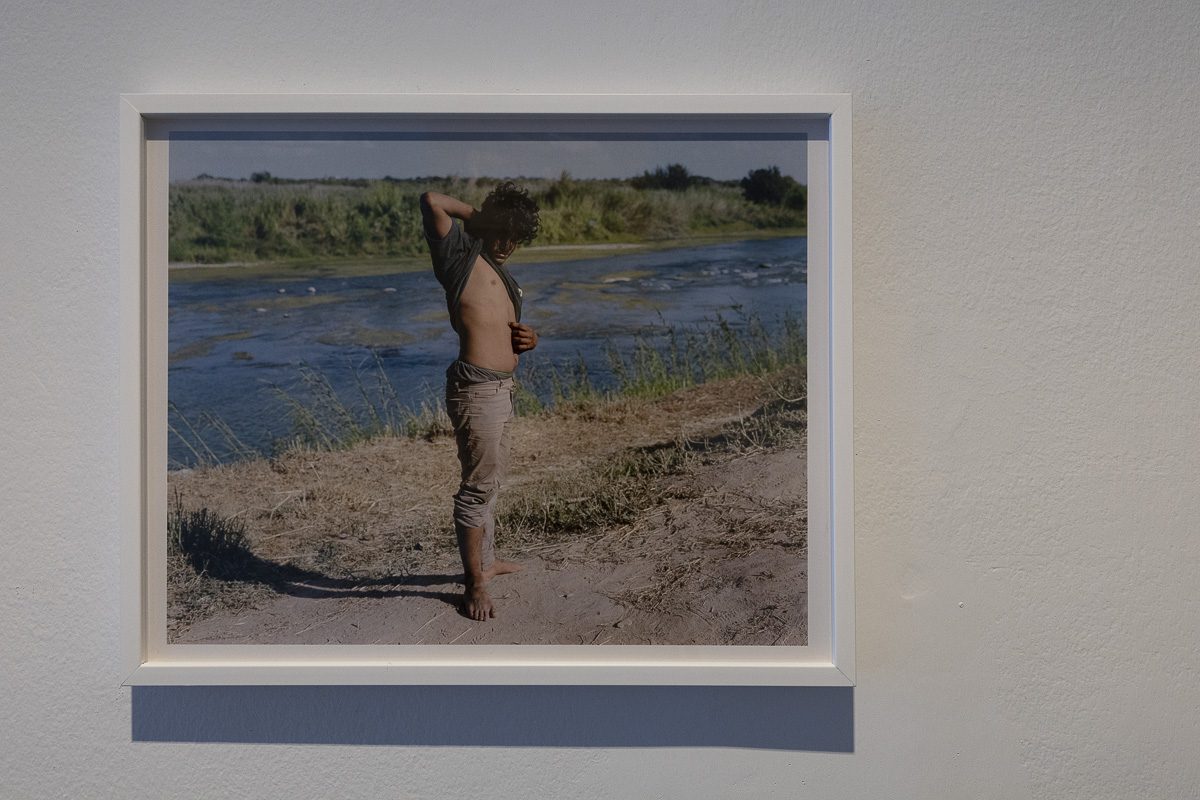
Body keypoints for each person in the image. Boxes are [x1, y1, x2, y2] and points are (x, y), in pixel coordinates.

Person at [419, 182, 541, 620]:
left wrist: (529, 340)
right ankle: (474, 584)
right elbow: (432, 200)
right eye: (501, 234)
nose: (507, 246)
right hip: (476, 390)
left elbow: (501, 329)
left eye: (515, 238)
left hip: (502, 389)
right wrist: (482, 220)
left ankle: (487, 562)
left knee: (491, 482)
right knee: (476, 489)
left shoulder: (501, 273)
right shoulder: (459, 257)